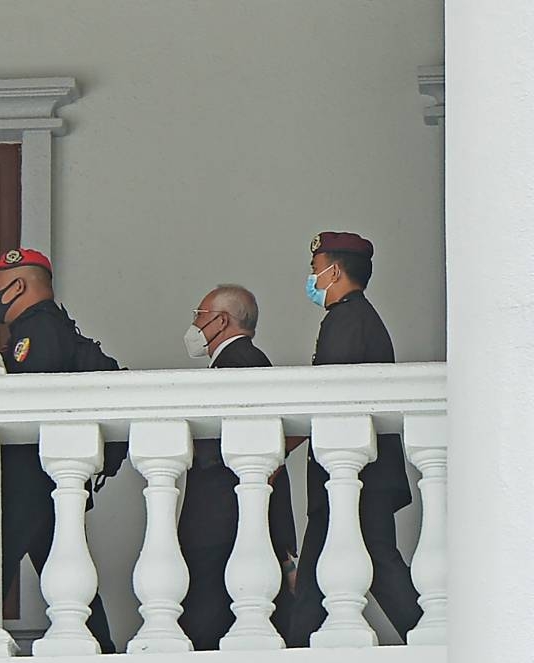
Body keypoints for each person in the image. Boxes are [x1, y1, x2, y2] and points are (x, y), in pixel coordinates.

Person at [286, 232, 422, 647]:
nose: (312, 277)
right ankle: (425, 632)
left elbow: (332, 398)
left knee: (371, 563)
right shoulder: (356, 316)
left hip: (353, 476)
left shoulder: (346, 319)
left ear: (334, 272)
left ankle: (428, 633)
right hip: (357, 476)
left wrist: (283, 448)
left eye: (316, 269)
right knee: (320, 576)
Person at [0, 248, 118, 654]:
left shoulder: (36, 330)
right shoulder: (54, 326)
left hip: (30, 477)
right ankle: (101, 648)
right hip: (47, 479)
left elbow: (33, 403)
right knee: (66, 572)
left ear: (17, 286)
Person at [179, 284, 297, 649]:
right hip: (233, 520)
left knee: (211, 625)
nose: (194, 324)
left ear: (220, 320)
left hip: (223, 522)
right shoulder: (246, 359)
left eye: (199, 315)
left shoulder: (239, 362)